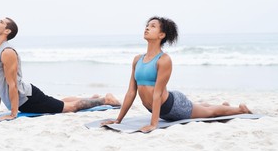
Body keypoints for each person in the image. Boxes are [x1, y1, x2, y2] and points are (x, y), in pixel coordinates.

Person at [102, 16, 251, 133]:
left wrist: (154, 124)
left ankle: (240, 110)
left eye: (152, 26)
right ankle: (222, 106)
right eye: (147, 26)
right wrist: (118, 120)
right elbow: (131, 92)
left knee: (208, 113)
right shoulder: (137, 60)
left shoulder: (163, 60)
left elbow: (158, 93)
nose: (147, 28)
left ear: (161, 34)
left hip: (173, 106)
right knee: (198, 107)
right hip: (161, 106)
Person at [0, 17, 121, 122]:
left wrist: (13, 113)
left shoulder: (7, 52)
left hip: (27, 99)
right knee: (60, 103)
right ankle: (92, 98)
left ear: (7, 31)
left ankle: (105, 100)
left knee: (69, 108)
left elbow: (12, 84)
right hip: (23, 100)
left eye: (0, 22)